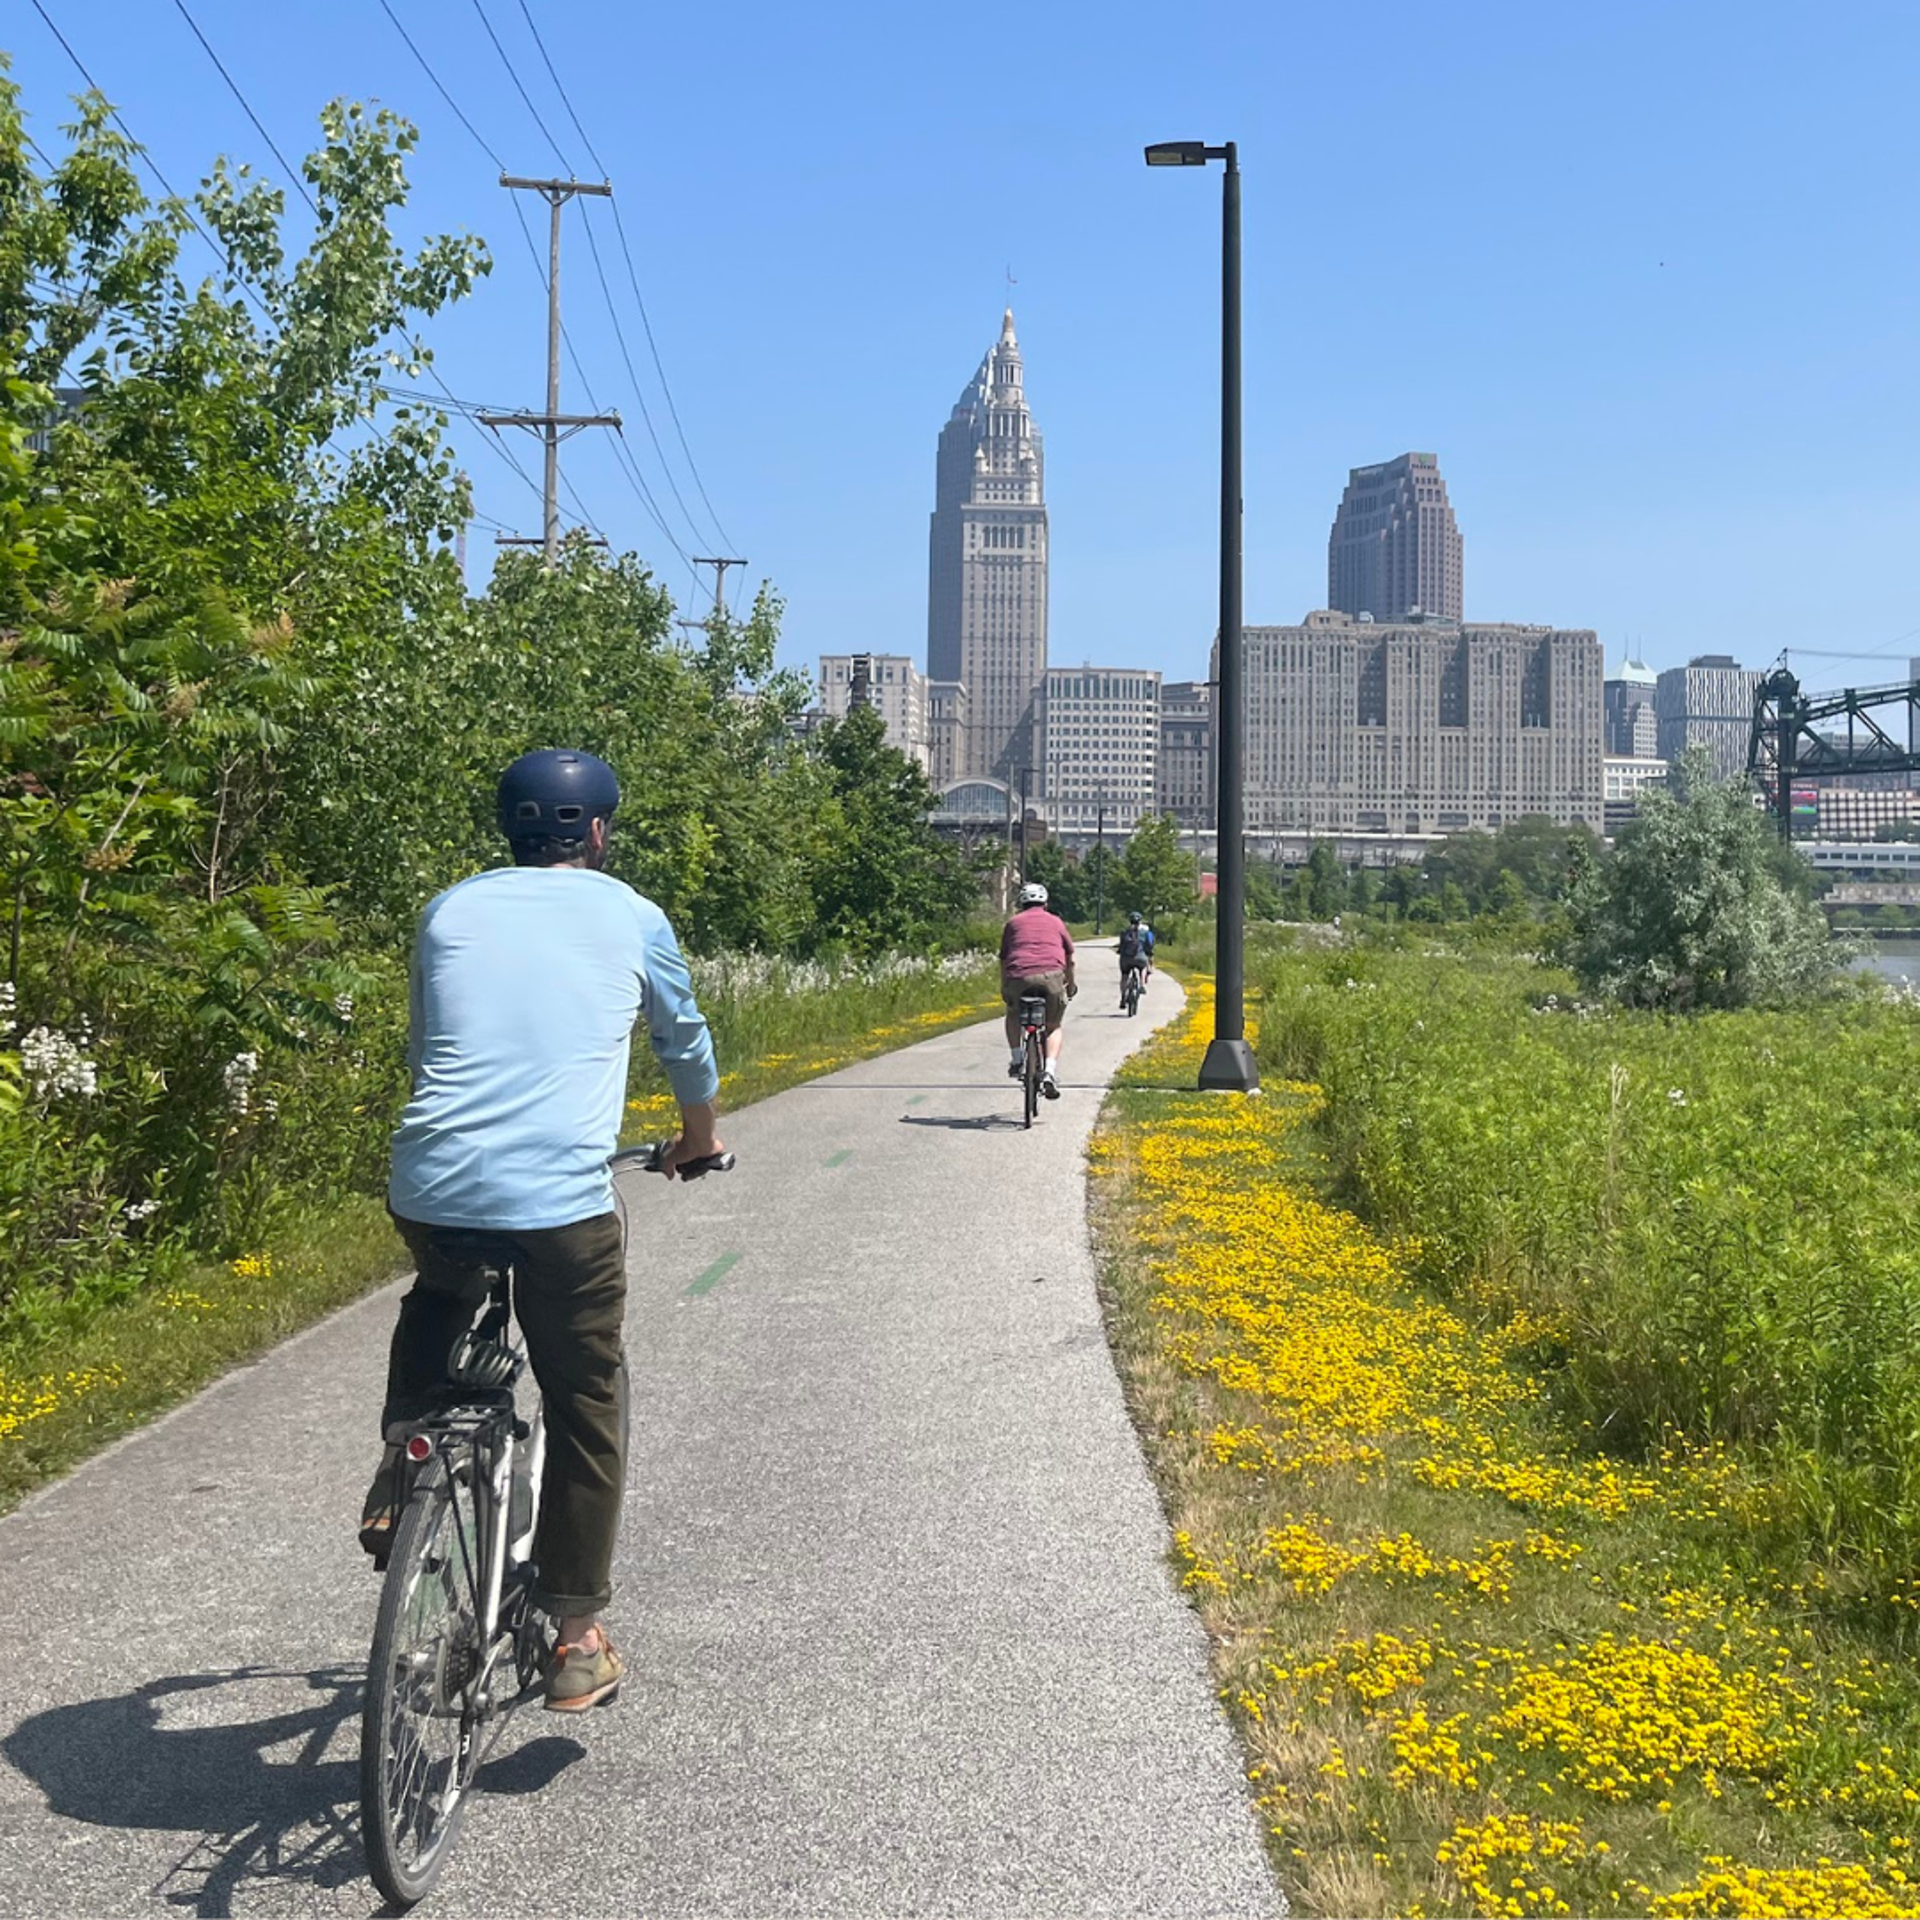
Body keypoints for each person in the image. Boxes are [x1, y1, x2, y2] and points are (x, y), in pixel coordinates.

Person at [361, 748, 724, 1714]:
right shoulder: (634, 915)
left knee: (439, 1295)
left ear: (510, 830)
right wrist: (698, 1139)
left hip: (430, 1178)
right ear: (598, 831)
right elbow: (682, 1038)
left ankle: (403, 1472)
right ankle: (573, 1637)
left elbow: (424, 1040)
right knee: (586, 1394)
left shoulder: (448, 908)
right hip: (559, 1203)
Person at [1000, 880, 1076, 1098]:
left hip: (1018, 977)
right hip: (1051, 977)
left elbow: (1004, 959)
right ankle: (1049, 1073)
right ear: (1045, 902)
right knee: (1052, 1025)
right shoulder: (1056, 922)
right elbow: (1070, 959)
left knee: (1013, 1013)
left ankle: (1016, 1059)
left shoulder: (1013, 924)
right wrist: (1070, 985)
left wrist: (1004, 986)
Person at [1116, 911, 1149, 1006]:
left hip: (1126, 959)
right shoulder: (1145, 932)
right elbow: (1149, 945)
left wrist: (1120, 952)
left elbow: (1121, 946)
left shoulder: (1124, 932)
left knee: (1124, 976)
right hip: (1140, 958)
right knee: (1143, 967)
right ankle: (1142, 984)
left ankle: (1123, 997)